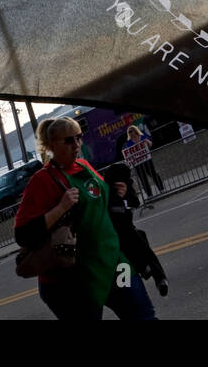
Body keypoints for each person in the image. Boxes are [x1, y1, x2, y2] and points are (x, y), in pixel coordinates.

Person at [14, 117, 157, 320]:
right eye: (69, 141)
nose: (77, 145)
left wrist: (118, 193)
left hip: (115, 266)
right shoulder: (42, 181)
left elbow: (102, 202)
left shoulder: (84, 166)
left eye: (79, 138)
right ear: (52, 145)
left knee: (142, 315)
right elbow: (23, 235)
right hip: (73, 281)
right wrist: (61, 207)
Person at [105, 162, 169, 296]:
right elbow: (118, 218)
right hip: (116, 236)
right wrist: (119, 199)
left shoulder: (126, 187)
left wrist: (126, 194)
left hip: (128, 231)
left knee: (140, 236)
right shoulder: (108, 194)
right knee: (137, 238)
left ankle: (158, 277)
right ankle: (148, 271)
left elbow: (135, 202)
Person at [126, 124, 165, 196]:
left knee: (153, 174)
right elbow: (128, 154)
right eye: (128, 132)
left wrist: (146, 141)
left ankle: (161, 188)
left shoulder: (143, 136)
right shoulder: (128, 143)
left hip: (147, 160)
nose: (130, 133)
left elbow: (150, 145)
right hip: (138, 163)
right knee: (143, 179)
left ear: (135, 131)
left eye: (131, 131)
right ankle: (149, 194)